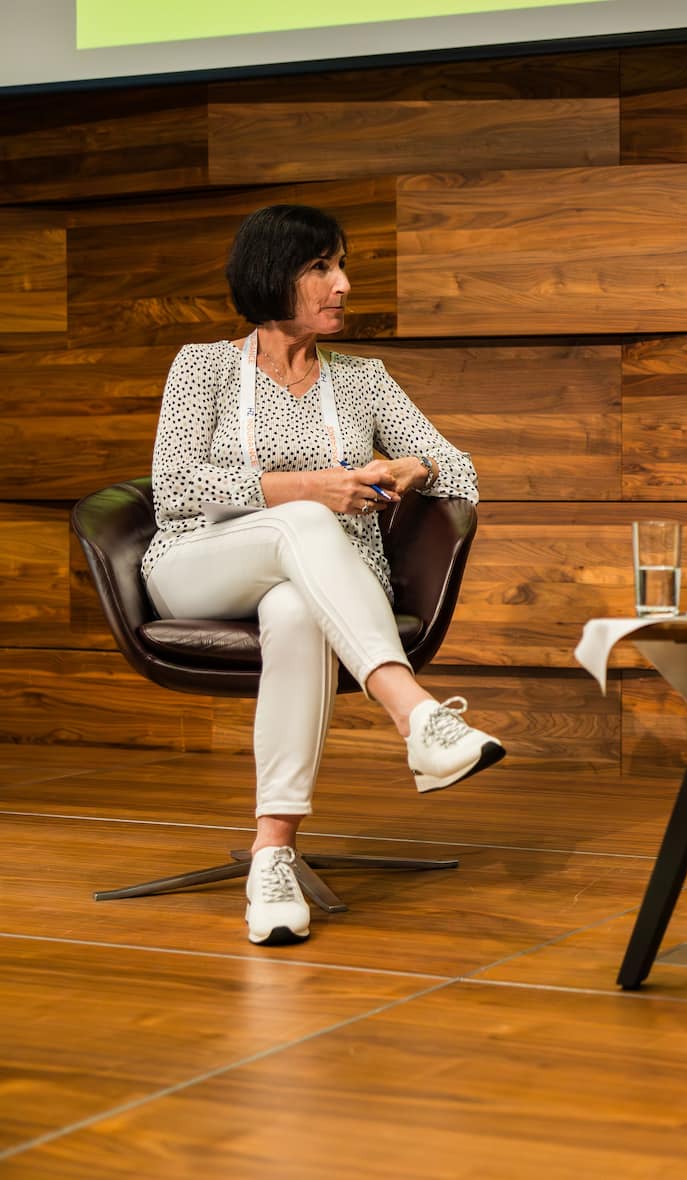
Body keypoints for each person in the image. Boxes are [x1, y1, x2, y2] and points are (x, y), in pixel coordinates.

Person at [143, 204, 505, 948]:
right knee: (306, 519)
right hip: (200, 565)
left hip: (316, 586)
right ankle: (414, 713)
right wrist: (311, 488)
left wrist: (410, 468)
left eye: (341, 267)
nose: (341, 285)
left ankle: (272, 854)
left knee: (295, 610)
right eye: (320, 268)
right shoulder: (203, 366)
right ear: (271, 275)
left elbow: (460, 468)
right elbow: (175, 485)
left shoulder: (363, 380)